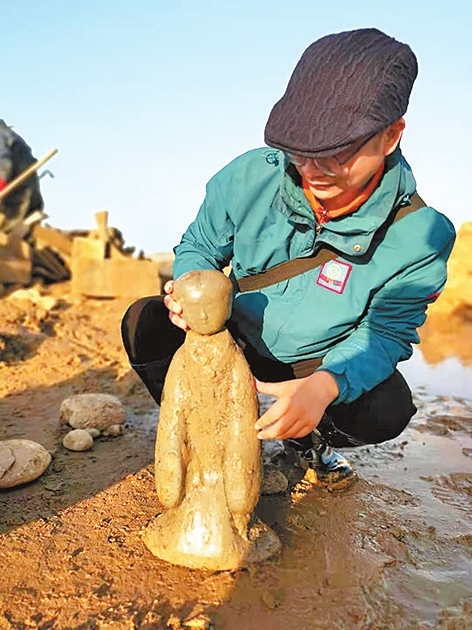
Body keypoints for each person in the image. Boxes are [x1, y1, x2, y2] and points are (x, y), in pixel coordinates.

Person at [121, 27, 456, 491]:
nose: (313, 170)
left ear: (391, 135)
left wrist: (325, 385)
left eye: (337, 154)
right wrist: (188, 287)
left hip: (312, 364)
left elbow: (385, 333)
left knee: (387, 407)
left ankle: (308, 442)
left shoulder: (422, 236)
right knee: (145, 322)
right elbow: (199, 244)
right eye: (299, 152)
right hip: (231, 336)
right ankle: (210, 432)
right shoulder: (249, 176)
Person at [0, 120, 44, 233]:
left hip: (16, 198)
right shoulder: (8, 134)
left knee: (9, 237)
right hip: (27, 195)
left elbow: (4, 164)